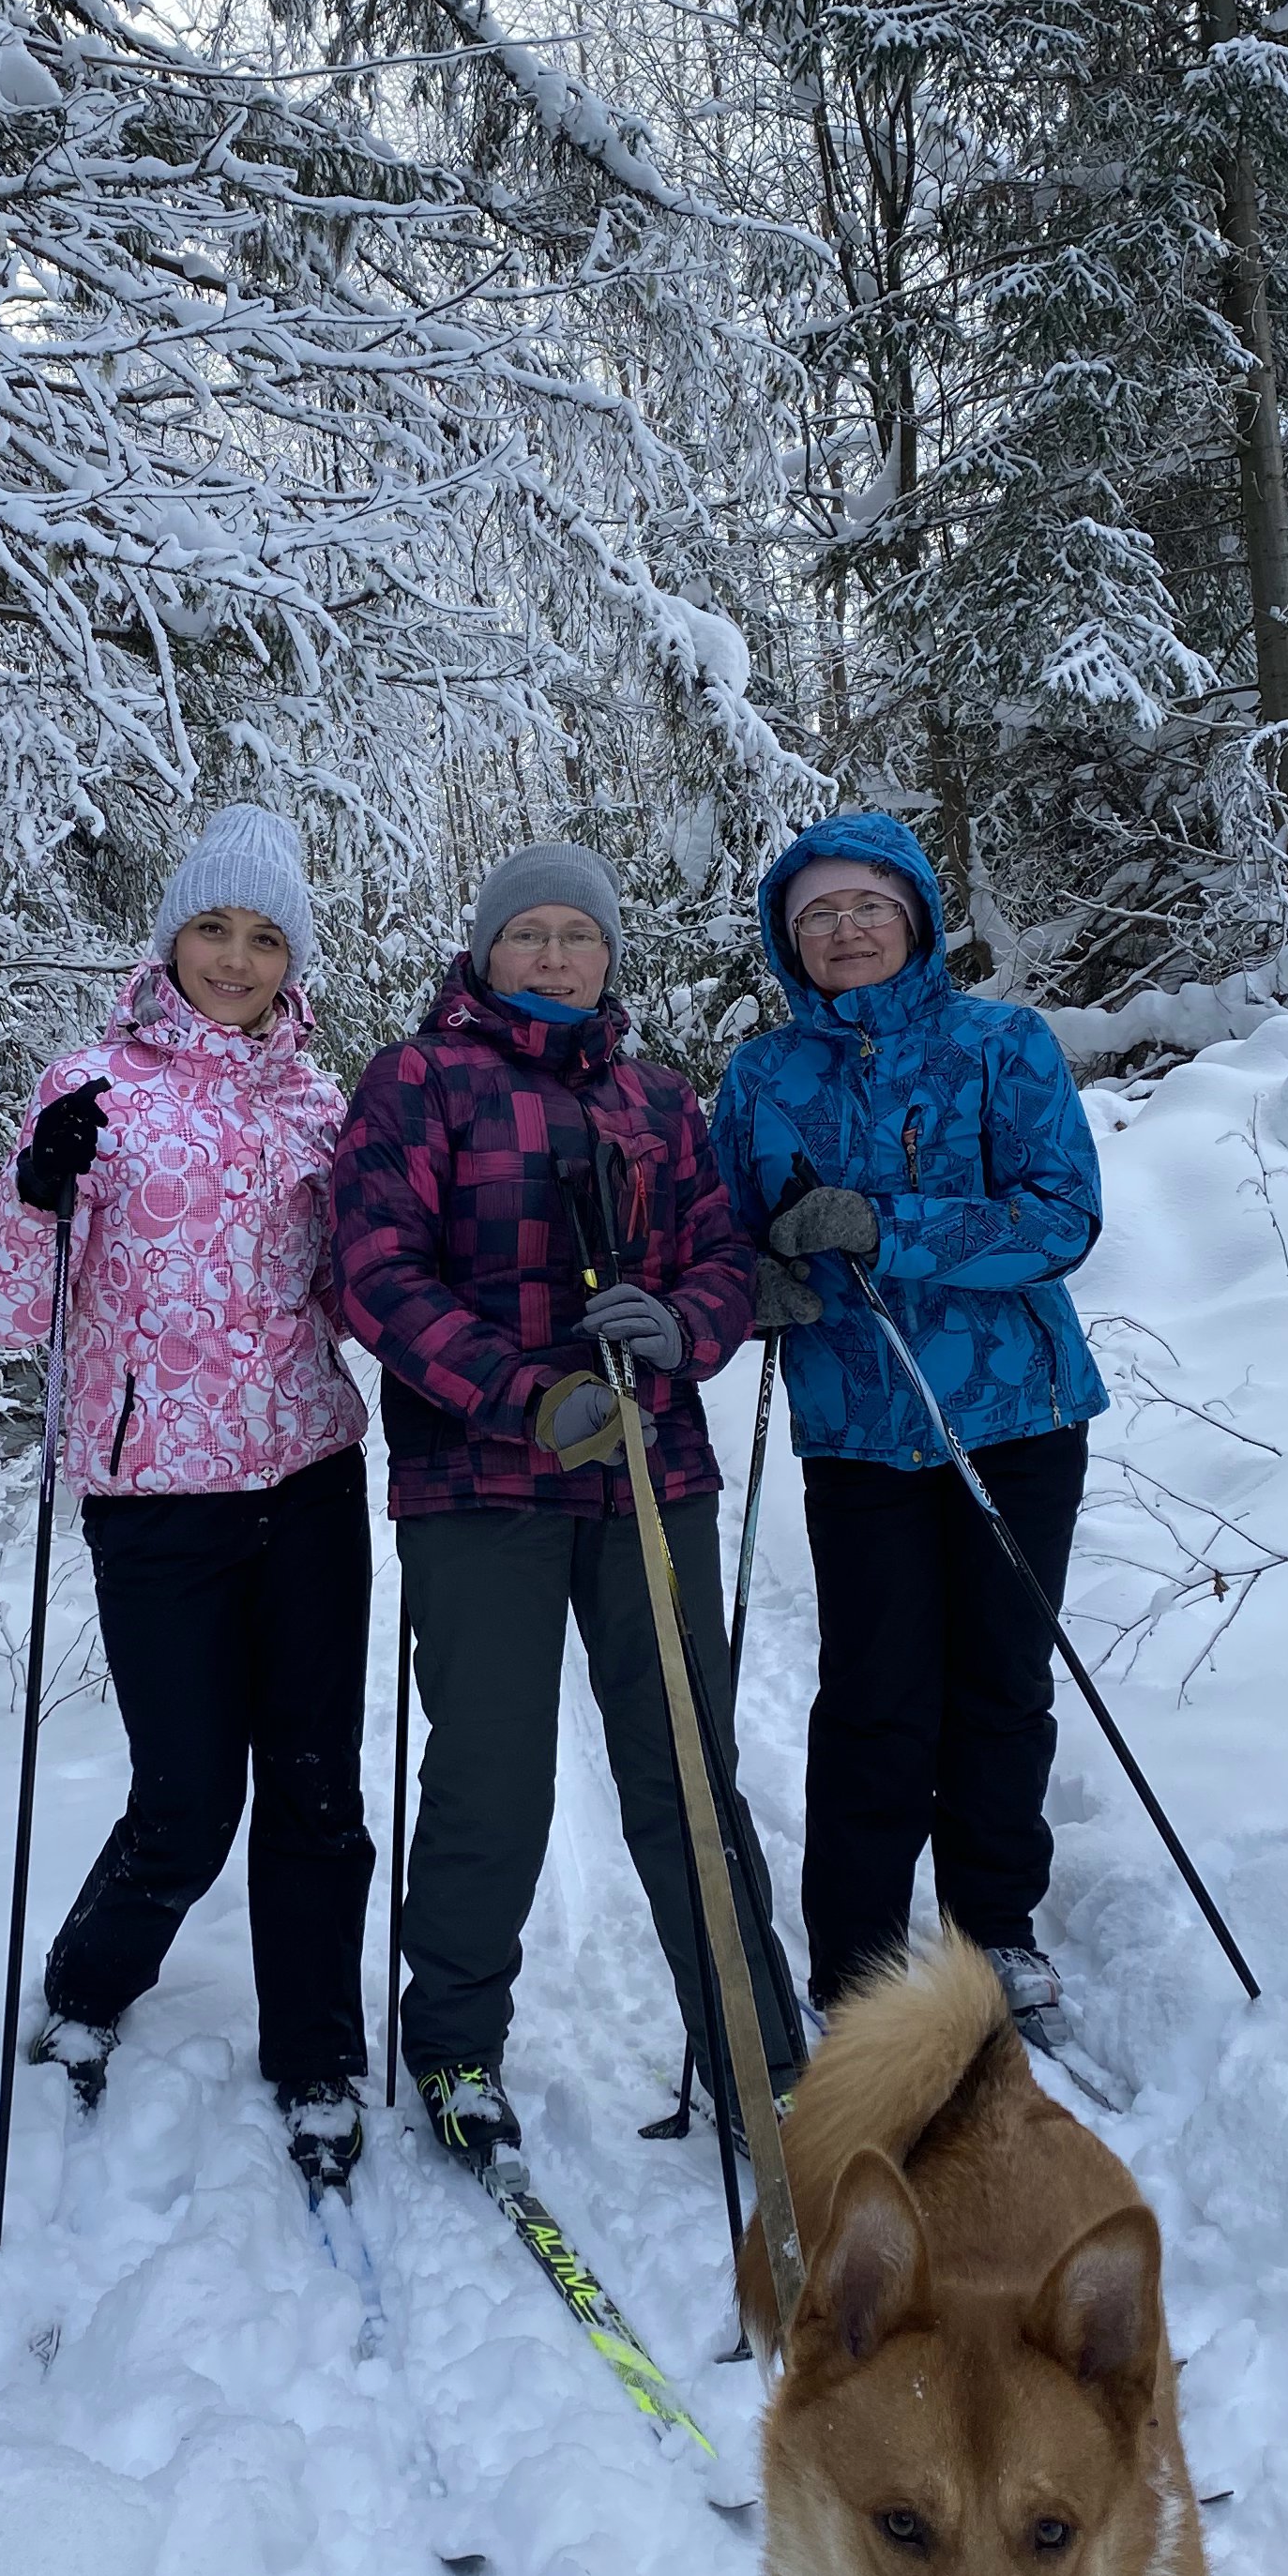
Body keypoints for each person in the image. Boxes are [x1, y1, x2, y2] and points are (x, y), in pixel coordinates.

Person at [330, 838, 807, 2176]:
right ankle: (455, 2047)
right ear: (486, 951)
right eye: (528, 934)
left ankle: (756, 2055)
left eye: (576, 937)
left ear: (609, 958)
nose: (552, 956)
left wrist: (684, 1323)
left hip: (652, 1475)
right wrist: (523, 1394)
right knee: (494, 1773)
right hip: (481, 1483)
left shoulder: (659, 1098)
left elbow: (722, 1252)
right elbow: (374, 1272)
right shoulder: (418, 1081)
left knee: (684, 1765)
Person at [0, 806, 375, 2188]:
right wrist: (35, 1194)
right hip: (157, 1498)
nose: (238, 960)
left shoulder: (321, 1103)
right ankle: (85, 1989)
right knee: (189, 1791)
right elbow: (5, 1316)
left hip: (311, 1478)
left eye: (265, 938)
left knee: (316, 1787)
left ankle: (316, 2051)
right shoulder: (90, 1088)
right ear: (171, 936)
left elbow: (355, 1294)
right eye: (215, 928)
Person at [709, 813, 1107, 2047]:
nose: (842, 930)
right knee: (877, 1696)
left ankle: (995, 1931)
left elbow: (1061, 1219)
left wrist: (884, 1226)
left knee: (1000, 1682)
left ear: (917, 916)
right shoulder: (762, 1078)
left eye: (865, 907)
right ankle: (861, 1960)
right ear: (789, 941)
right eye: (814, 916)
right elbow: (730, 1230)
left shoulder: (1004, 1045)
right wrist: (755, 1282)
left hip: (1015, 1413)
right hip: (859, 1423)